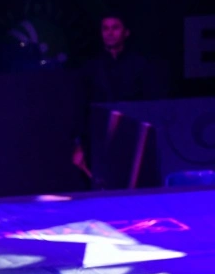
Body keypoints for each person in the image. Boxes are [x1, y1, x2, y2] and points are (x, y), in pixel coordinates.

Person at [72, 14, 168, 185]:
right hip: (101, 142)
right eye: (105, 28)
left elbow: (153, 105)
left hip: (136, 141)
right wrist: (79, 145)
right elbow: (81, 107)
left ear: (126, 32)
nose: (110, 33)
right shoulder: (91, 68)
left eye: (115, 28)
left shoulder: (141, 65)